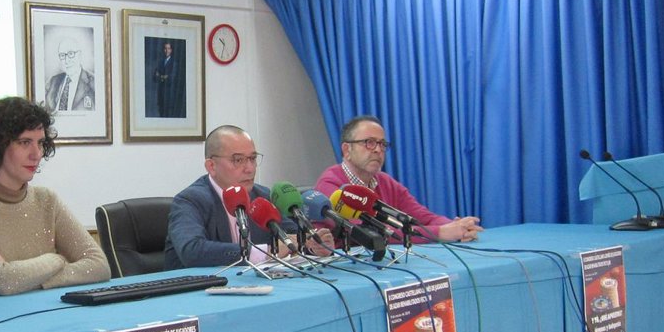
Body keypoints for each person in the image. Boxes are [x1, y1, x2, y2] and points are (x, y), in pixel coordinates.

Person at [0, 96, 109, 299]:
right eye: (24, 142)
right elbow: (0, 281)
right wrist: (55, 260)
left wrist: (21, 276)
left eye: (40, 143)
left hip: (34, 310)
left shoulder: (47, 200)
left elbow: (99, 266)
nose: (36, 154)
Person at [164, 125, 327, 269]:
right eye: (238, 160)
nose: (249, 169)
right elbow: (192, 251)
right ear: (211, 166)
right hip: (197, 290)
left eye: (252, 158)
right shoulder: (190, 200)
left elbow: (291, 236)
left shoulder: (263, 196)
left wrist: (314, 245)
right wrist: (267, 252)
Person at [314, 115, 483, 242]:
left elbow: (423, 217)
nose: (378, 150)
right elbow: (368, 232)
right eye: (369, 142)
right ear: (346, 150)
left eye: (382, 144)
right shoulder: (331, 185)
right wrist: (440, 233)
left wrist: (456, 226)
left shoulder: (385, 181)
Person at [44, 36, 95, 112]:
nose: (66, 60)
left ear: (80, 55)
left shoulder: (93, 82)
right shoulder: (52, 81)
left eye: (71, 54)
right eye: (62, 55)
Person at [152, 40, 184, 117]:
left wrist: (160, 76)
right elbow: (154, 77)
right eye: (165, 48)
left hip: (169, 95)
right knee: (161, 114)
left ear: (171, 50)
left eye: (168, 48)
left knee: (168, 115)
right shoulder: (160, 62)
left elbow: (171, 78)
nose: (167, 50)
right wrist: (164, 76)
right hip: (161, 94)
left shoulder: (174, 63)